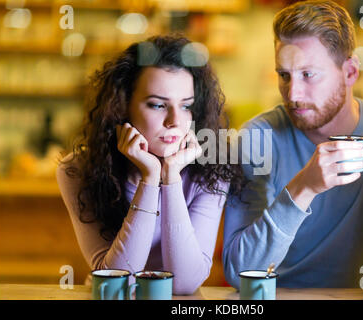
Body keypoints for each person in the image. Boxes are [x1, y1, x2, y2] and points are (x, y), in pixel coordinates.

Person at [223, 0, 363, 290]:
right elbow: (239, 274)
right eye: (283, 75)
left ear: (350, 72)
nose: (293, 94)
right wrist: (303, 188)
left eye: (308, 74)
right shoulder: (256, 138)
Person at [56, 34, 242, 295]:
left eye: (186, 106)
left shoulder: (212, 167)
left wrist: (171, 177)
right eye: (157, 105)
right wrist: (150, 178)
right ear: (122, 107)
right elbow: (117, 281)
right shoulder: (77, 169)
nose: (175, 121)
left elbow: (184, 283)